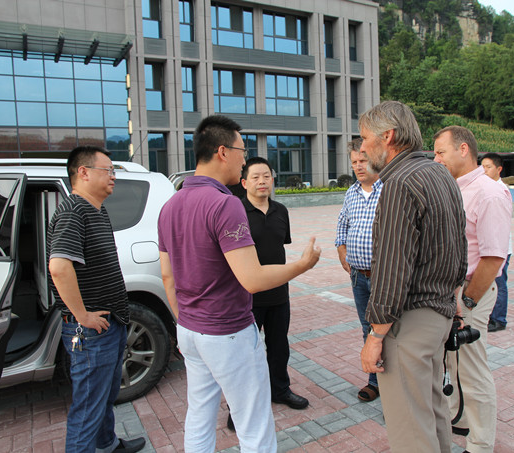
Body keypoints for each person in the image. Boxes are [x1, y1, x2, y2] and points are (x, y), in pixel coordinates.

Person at [157, 115, 321, 452]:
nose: (244, 161)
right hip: (227, 331)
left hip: (190, 330)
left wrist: (185, 321)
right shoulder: (225, 204)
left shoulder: (170, 206)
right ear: (222, 152)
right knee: (254, 423)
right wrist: (302, 265)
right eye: (241, 152)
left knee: (199, 413)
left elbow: (167, 276)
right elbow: (252, 279)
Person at [358, 101, 468, 453]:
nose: (362, 147)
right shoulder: (439, 174)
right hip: (439, 315)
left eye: (365, 138)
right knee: (432, 413)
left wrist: (375, 334)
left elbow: (392, 269)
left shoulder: (399, 183)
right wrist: (454, 301)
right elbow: (459, 245)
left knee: (411, 429)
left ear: (388, 136)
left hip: (411, 321)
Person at [48, 146, 146, 453]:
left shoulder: (97, 210)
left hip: (110, 323)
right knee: (88, 405)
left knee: (104, 395)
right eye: (108, 170)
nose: (113, 176)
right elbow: (59, 267)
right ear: (83, 172)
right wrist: (82, 315)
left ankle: (108, 443)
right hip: (90, 330)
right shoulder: (73, 211)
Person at [433, 126, 512, 453]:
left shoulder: (489, 193)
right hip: (452, 292)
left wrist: (467, 299)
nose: (436, 159)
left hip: (471, 292)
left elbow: (493, 258)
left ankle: (480, 444)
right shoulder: (454, 188)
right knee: (455, 362)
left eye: (441, 152)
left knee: (473, 369)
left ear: (463, 149)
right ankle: (460, 416)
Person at [241, 157, 309, 410]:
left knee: (279, 347)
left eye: (266, 176)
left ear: (272, 180)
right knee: (246, 353)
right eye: (256, 177)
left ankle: (280, 390)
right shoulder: (236, 212)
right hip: (247, 296)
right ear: (244, 182)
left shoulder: (281, 211)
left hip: (279, 294)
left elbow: (279, 246)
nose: (262, 181)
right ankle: (243, 404)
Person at [334, 138, 383, 402]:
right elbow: (342, 224)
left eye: (363, 160)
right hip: (358, 277)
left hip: (384, 277)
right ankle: (375, 382)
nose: (358, 166)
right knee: (367, 329)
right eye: (354, 162)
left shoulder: (389, 189)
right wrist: (342, 250)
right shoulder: (351, 193)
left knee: (387, 330)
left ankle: (394, 386)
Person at [480, 153, 512, 333]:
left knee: (499, 283)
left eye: (488, 167)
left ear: (499, 169)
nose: (484, 170)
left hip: (501, 248)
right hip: (493, 246)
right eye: (482, 166)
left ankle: (499, 319)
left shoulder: (500, 191)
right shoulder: (487, 188)